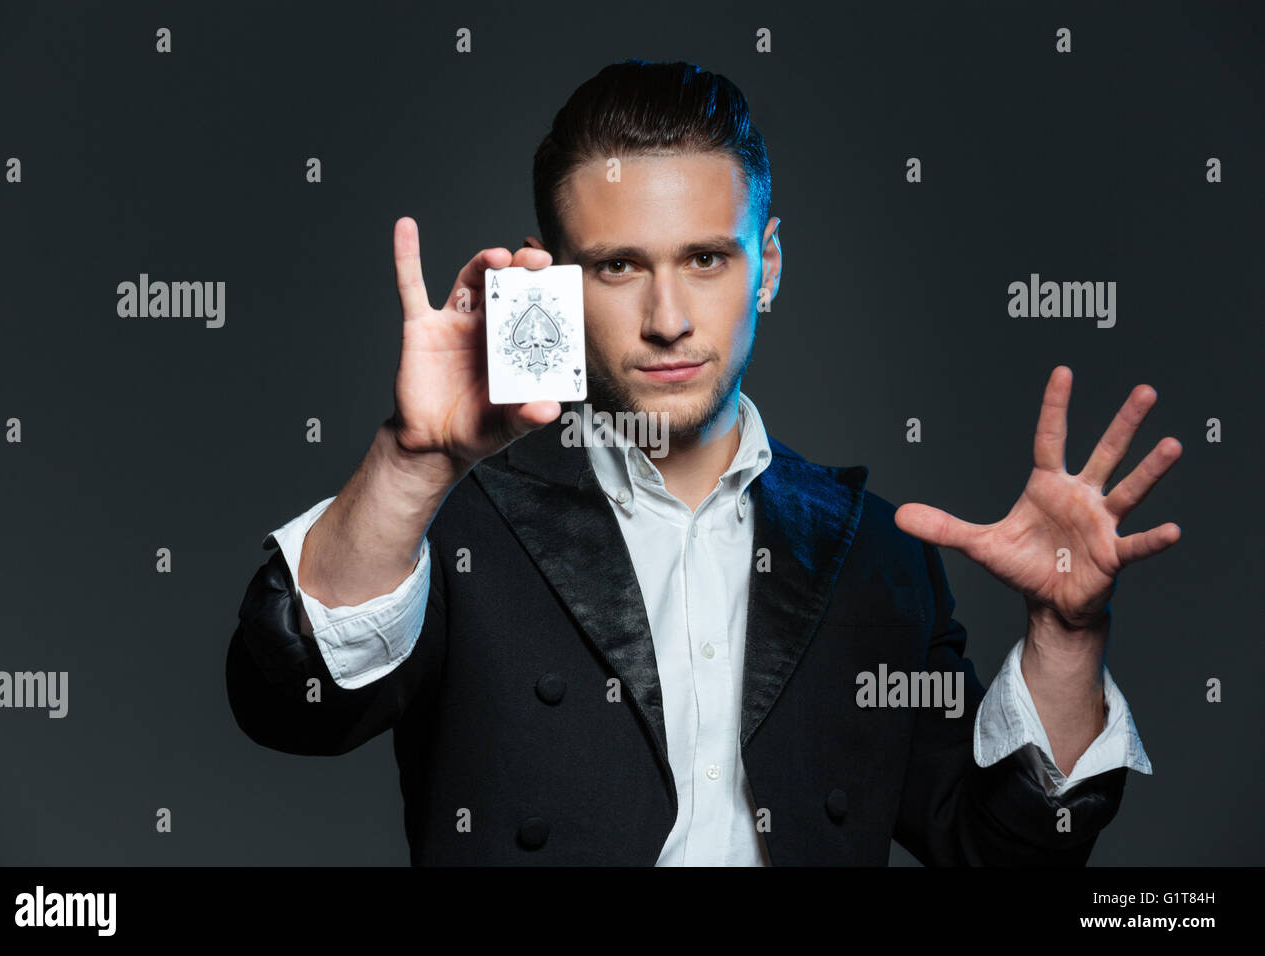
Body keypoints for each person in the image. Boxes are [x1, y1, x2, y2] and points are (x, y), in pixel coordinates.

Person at [225, 59, 1180, 865]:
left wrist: (1064, 633)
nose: (669, 318)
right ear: (550, 282)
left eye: (707, 260)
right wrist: (410, 463)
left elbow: (1001, 852)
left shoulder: (877, 558)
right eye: (619, 266)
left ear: (767, 265)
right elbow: (288, 707)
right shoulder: (456, 524)